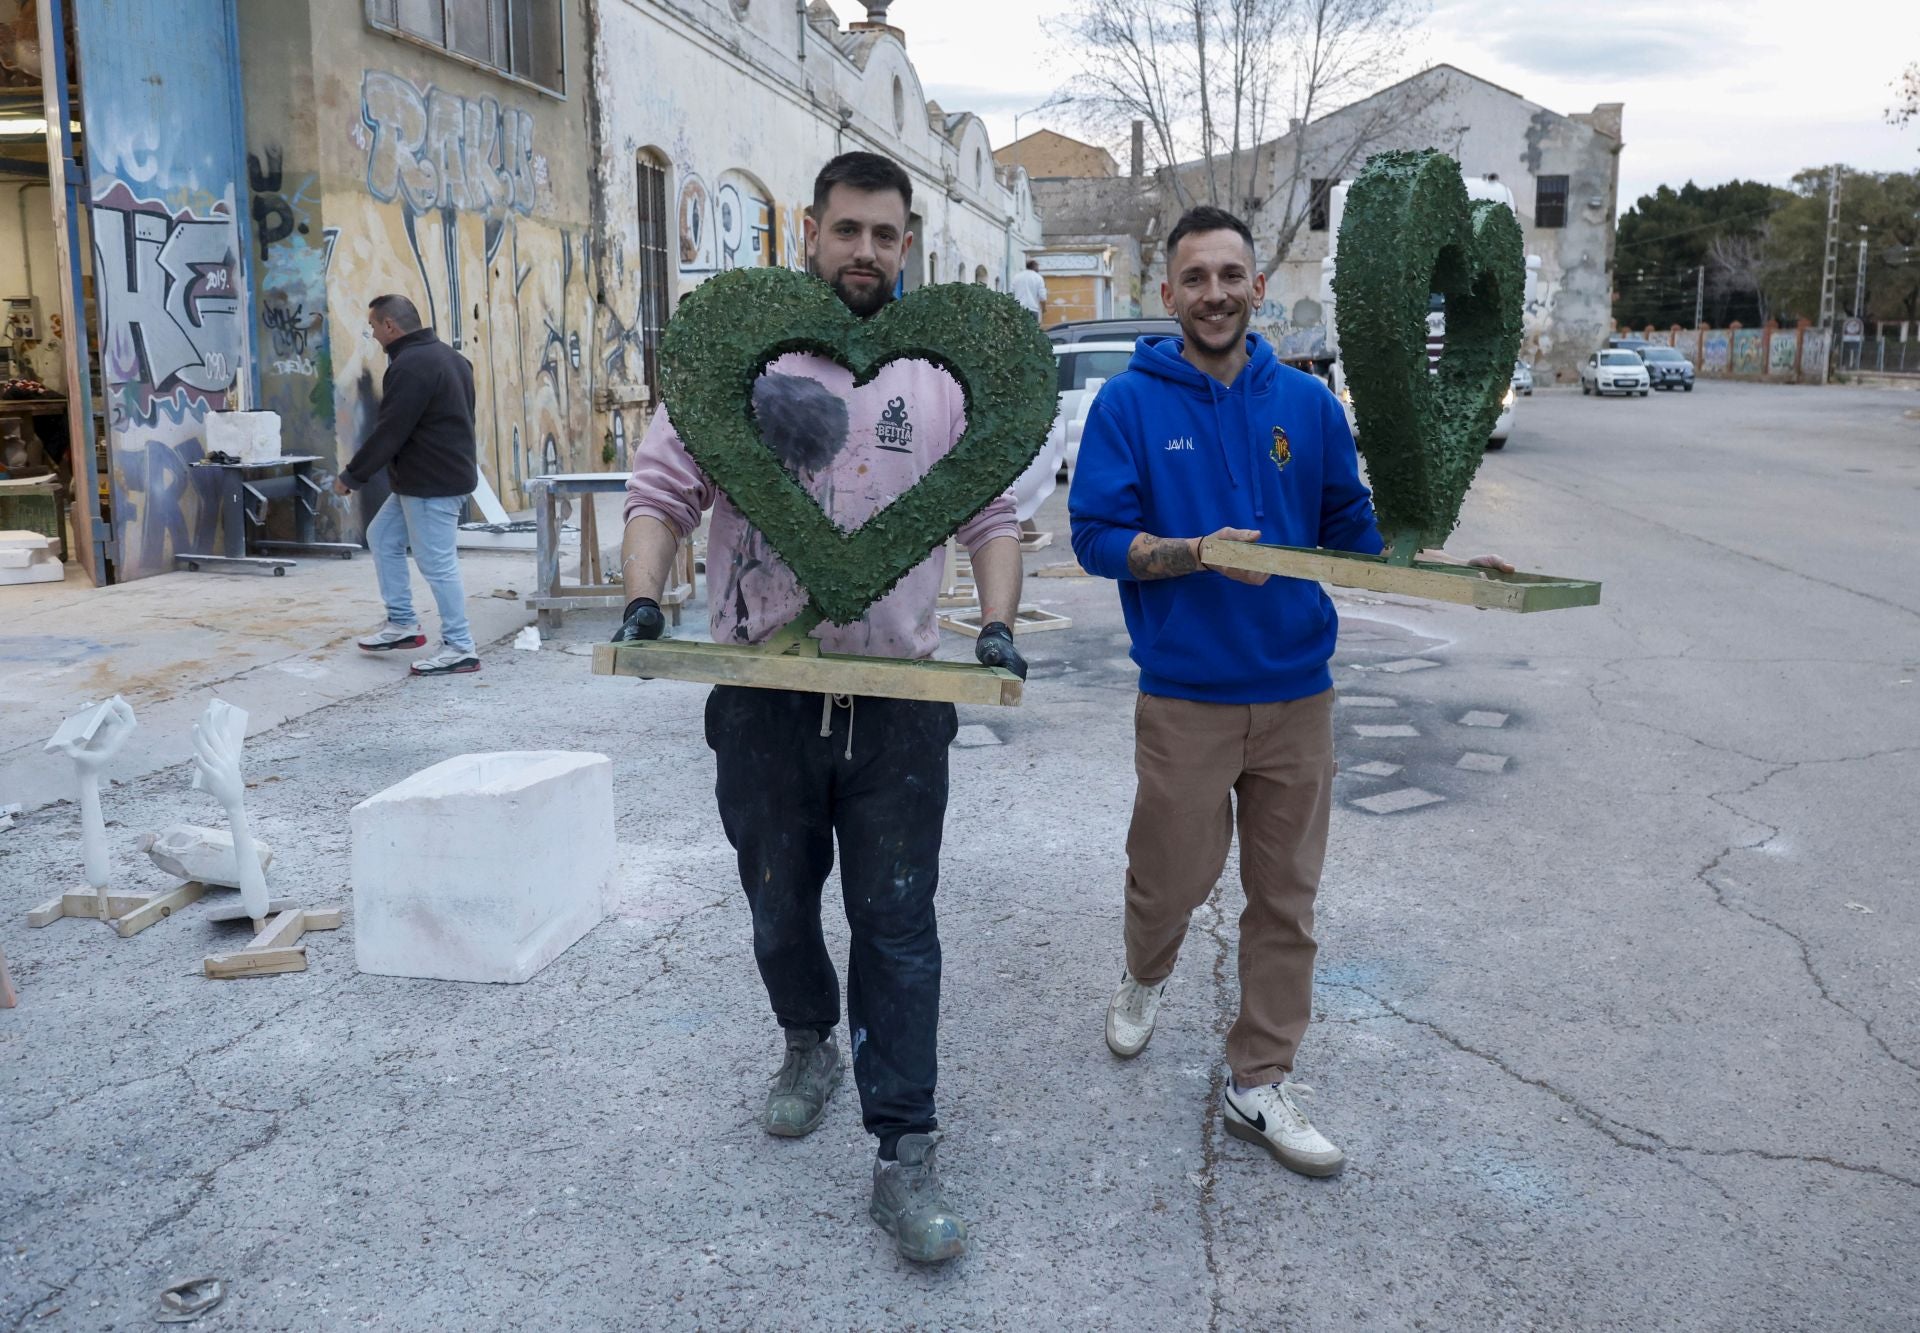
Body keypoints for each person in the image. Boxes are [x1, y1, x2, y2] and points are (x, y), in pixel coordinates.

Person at [616, 151, 1030, 1263]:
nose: (864, 252)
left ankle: (907, 1153)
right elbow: (660, 491)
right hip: (763, 697)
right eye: (846, 230)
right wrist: (645, 600)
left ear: (909, 244)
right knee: (776, 904)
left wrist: (996, 626)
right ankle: (806, 1041)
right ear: (807, 232)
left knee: (897, 925)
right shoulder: (742, 363)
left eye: (884, 235)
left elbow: (992, 514)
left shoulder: (938, 380)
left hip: (898, 702)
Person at [1069, 205, 1506, 1178]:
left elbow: (1351, 526)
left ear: (1257, 287)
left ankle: (1257, 1079)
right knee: (1170, 878)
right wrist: (1194, 554)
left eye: (1232, 274)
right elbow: (1095, 538)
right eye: (1196, 277)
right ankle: (1145, 971)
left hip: (1299, 695)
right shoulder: (1128, 407)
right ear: (1169, 292)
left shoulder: (1307, 408)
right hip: (1185, 694)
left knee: (1287, 899)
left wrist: (1436, 554)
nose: (1215, 292)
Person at [333, 295, 481, 676]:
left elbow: (390, 432)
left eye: (373, 327)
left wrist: (352, 475)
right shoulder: (452, 359)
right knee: (382, 536)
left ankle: (460, 647)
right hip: (427, 479)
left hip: (432, 484)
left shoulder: (410, 366)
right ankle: (401, 623)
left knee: (437, 564)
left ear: (389, 326)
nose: (373, 336)